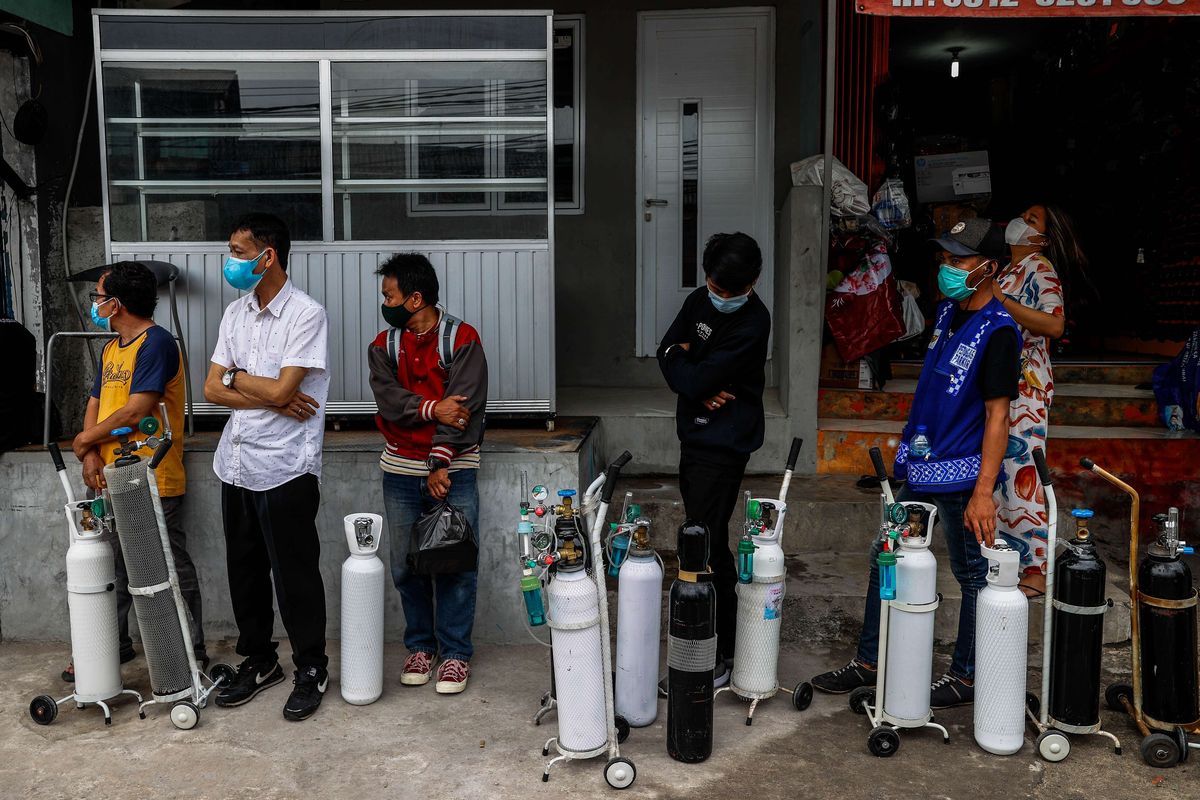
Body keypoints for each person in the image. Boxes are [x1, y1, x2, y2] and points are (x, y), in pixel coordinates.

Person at [811, 218, 1021, 709]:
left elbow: (997, 415)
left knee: (972, 576)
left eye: (958, 260)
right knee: (886, 556)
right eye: (943, 259)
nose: (946, 268)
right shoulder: (948, 313)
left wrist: (984, 491)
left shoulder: (1000, 332)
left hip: (964, 475)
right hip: (925, 468)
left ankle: (966, 677)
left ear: (988, 267)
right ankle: (869, 660)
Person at [203, 213, 331, 721]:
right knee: (245, 571)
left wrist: (246, 382)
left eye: (238, 251)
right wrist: (265, 389)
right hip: (234, 462)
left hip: (286, 467)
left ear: (267, 254)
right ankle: (260, 661)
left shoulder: (306, 314)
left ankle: (311, 668)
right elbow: (212, 390)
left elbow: (284, 390)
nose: (231, 261)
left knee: (294, 574)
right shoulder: (234, 315)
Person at [66, 261, 206, 679]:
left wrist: (85, 440)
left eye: (99, 296)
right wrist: (89, 450)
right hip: (110, 476)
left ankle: (189, 650)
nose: (95, 303)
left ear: (117, 303)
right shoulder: (111, 348)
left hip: (151, 474)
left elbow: (138, 408)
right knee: (114, 568)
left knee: (167, 567)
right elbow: (97, 401)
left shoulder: (157, 343)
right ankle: (111, 646)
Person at [368, 253, 487, 694]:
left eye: (390, 296)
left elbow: (467, 408)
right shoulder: (384, 346)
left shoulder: (462, 339)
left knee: (455, 561)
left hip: (454, 466)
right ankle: (420, 646)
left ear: (415, 299)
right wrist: (433, 407)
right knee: (406, 565)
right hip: (399, 467)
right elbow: (390, 404)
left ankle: (455, 653)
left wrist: (439, 461)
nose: (385, 303)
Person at [657, 232, 771, 688]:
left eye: (730, 293)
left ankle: (715, 654)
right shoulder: (698, 301)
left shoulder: (754, 321)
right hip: (695, 436)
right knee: (704, 535)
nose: (719, 297)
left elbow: (693, 369)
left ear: (752, 282)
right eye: (713, 287)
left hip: (725, 443)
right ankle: (715, 648)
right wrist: (694, 381)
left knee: (703, 540)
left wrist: (691, 373)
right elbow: (667, 352)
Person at [992, 205, 1079, 597]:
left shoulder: (1040, 268)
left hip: (1026, 388)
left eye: (1031, 220)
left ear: (1042, 239)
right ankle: (1005, 557)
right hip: (1004, 383)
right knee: (1002, 475)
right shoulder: (1009, 271)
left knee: (1023, 476)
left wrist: (1001, 301)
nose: (1020, 221)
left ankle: (1035, 571)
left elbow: (1055, 324)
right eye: (1022, 214)